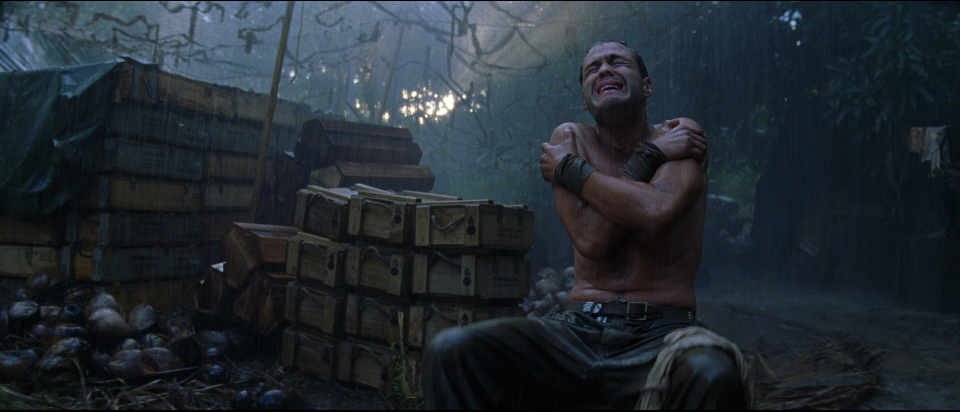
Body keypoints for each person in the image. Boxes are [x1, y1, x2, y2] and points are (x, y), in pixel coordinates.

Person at [420, 40, 749, 410]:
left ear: (646, 86)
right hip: (575, 331)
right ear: (584, 100)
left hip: (662, 332)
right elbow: (591, 239)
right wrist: (651, 156)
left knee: (712, 372)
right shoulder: (569, 139)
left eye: (617, 62)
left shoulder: (679, 131)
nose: (604, 69)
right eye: (593, 68)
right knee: (451, 350)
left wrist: (572, 170)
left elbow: (657, 211)